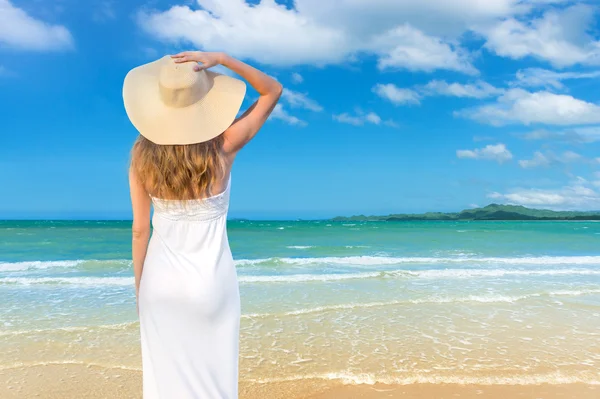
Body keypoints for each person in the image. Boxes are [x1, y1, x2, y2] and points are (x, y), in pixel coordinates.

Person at [122, 51, 282, 398]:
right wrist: (223, 59)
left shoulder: (140, 160)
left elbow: (140, 230)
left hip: (159, 285)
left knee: (165, 380)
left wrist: (140, 289)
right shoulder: (223, 148)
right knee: (214, 378)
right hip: (211, 283)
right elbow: (272, 91)